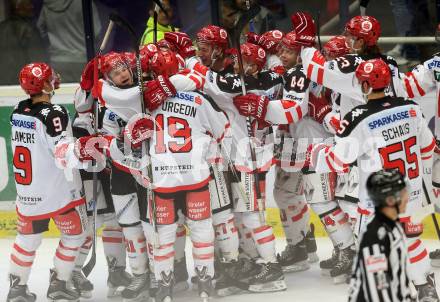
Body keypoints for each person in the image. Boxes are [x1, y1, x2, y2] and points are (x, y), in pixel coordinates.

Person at [310, 58, 438, 301]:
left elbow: (337, 160)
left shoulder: (358, 117)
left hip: (377, 202)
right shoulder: (411, 107)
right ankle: (425, 288)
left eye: (361, 81)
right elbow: (428, 146)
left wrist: (316, 152)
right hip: (411, 195)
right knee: (411, 241)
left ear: (366, 85)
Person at [234, 29, 355, 283]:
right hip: (292, 141)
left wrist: (264, 107)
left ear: (302, 54)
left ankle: (347, 249)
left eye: (289, 50)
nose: (283, 54)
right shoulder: (291, 71)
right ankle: (301, 244)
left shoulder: (308, 72)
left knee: (322, 200)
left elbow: (295, 107)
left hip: (316, 142)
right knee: (284, 192)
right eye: (281, 49)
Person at [7, 63, 88, 302]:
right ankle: (59, 283)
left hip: (28, 195)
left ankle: (16, 288)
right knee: (75, 236)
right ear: (43, 84)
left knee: (26, 241)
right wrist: (85, 150)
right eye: (51, 77)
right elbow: (63, 153)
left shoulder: (17, 110)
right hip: (57, 193)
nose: (56, 78)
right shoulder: (55, 113)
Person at [348, 169, 412, 302]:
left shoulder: (393, 224)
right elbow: (377, 289)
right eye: (403, 193)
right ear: (389, 200)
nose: (408, 197)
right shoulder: (375, 236)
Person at [37, 0, 101, 82]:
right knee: (85, 93)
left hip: (58, 60)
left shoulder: (48, 4)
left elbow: (40, 29)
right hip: (83, 59)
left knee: (61, 93)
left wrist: (52, 43)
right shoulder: (84, 3)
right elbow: (96, 32)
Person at [0, 0, 47, 85]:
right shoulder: (30, 30)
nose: (32, 7)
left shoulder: (2, 28)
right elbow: (39, 62)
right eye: (28, 4)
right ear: (17, 7)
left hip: (4, 83)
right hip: (23, 83)